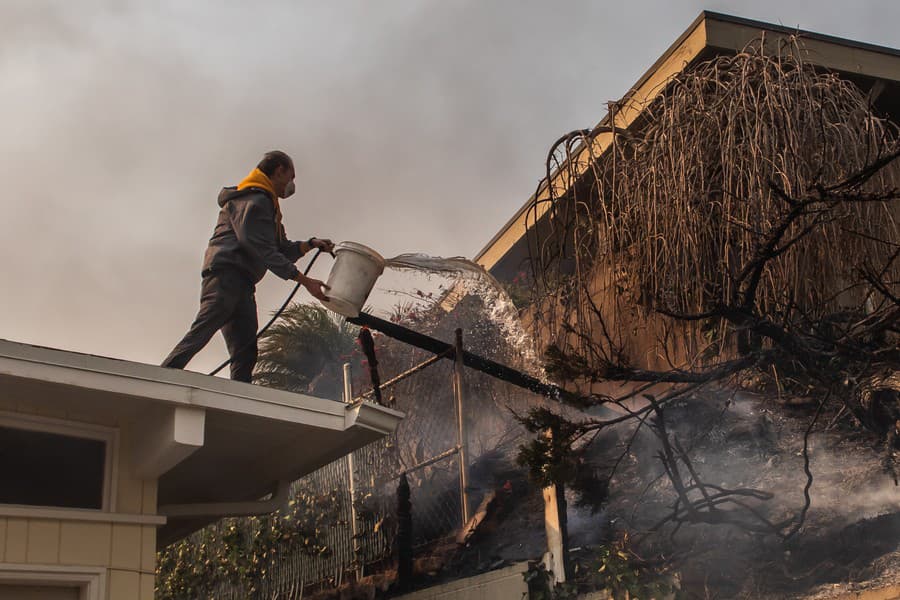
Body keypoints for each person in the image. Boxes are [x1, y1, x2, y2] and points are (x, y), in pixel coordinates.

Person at [162, 150, 334, 382]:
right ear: (279, 170)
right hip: (226, 278)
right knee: (202, 331)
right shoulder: (253, 200)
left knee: (245, 351)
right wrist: (304, 281)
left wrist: (310, 245)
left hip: (243, 284)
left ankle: (237, 401)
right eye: (291, 177)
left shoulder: (269, 205)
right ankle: (161, 377)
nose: (292, 185)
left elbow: (281, 249)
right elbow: (261, 249)